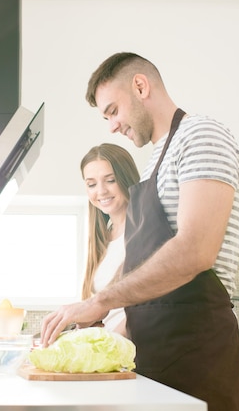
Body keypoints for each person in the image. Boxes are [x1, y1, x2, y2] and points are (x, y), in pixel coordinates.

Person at [40, 52, 239, 411]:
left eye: (113, 111)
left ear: (140, 86)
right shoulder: (155, 161)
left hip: (196, 355)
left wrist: (99, 301)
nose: (112, 127)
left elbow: (196, 249)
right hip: (153, 356)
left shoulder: (200, 135)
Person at [79, 143, 140, 336]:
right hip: (113, 352)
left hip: (131, 349)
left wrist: (115, 343)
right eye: (91, 184)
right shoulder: (103, 238)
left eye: (110, 180)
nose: (101, 191)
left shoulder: (143, 231)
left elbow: (141, 307)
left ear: (126, 179)